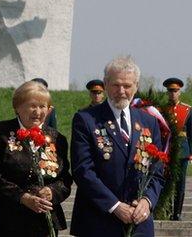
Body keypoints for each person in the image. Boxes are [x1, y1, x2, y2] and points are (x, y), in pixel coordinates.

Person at [70, 56, 164, 236]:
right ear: (105, 84)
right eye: (115, 85)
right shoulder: (86, 119)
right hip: (98, 221)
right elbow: (83, 170)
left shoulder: (149, 122)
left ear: (136, 86)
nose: (121, 91)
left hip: (139, 223)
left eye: (127, 86)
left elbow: (157, 171)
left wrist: (147, 201)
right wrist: (115, 206)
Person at [0, 80, 72, 236]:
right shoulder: (0, 132)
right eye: (32, 105)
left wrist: (52, 192)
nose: (37, 112)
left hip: (44, 223)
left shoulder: (58, 138)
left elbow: (65, 179)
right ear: (17, 107)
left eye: (42, 106)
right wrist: (22, 197)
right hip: (7, 221)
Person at [161, 77, 191, 220]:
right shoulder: (162, 109)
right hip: (167, 151)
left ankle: (177, 213)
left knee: (180, 184)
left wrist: (191, 153)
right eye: (170, 91)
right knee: (166, 182)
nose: (173, 93)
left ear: (179, 92)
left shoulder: (187, 110)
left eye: (175, 91)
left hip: (183, 151)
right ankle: (166, 211)